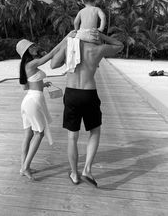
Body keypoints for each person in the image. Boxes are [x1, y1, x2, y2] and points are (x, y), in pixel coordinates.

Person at [50, 31, 123, 187]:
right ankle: (87, 169)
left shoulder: (69, 44)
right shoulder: (99, 49)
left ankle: (74, 174)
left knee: (72, 137)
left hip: (71, 92)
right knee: (95, 131)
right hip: (89, 93)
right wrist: (102, 36)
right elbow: (119, 45)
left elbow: (53, 64)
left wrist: (67, 40)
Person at [16, 37, 68, 181]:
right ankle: (25, 167)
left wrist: (42, 85)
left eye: (34, 45)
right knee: (39, 134)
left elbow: (26, 87)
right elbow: (50, 55)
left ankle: (23, 166)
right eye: (31, 47)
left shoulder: (25, 65)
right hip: (34, 100)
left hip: (28, 100)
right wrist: (65, 39)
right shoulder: (32, 63)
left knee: (28, 135)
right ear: (27, 51)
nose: (35, 47)